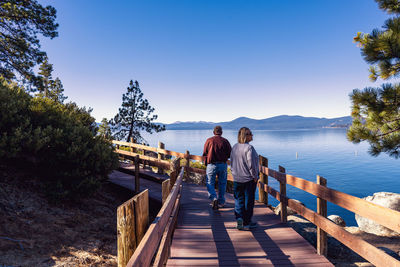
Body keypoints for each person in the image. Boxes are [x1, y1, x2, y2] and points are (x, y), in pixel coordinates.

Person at [230, 127, 259, 230]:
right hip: (248, 179)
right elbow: (251, 164)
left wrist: (233, 173)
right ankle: (247, 223)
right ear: (246, 135)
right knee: (248, 201)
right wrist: (255, 176)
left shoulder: (234, 147)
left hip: (237, 179)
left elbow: (232, 162)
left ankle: (239, 219)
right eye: (251, 133)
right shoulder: (249, 148)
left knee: (238, 200)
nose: (252, 135)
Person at [203, 126, 232, 209]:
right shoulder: (225, 141)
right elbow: (230, 154)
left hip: (211, 165)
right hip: (222, 165)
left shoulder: (209, 140)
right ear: (221, 132)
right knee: (222, 183)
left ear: (213, 132)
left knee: (209, 182)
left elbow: (205, 153)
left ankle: (213, 198)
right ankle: (221, 202)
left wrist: (206, 163)